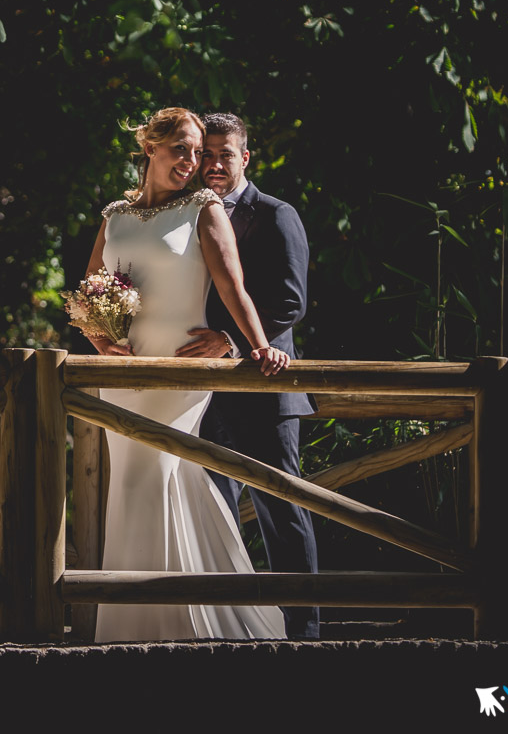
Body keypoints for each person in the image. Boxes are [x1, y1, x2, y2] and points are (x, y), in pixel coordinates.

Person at [83, 107, 287, 642]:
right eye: (182, 149)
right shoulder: (115, 216)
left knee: (156, 475)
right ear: (150, 148)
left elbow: (232, 287)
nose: (193, 161)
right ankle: (138, 622)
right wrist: (101, 340)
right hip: (124, 373)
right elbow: (88, 293)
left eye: (199, 152)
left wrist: (258, 346)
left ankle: (179, 619)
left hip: (180, 367)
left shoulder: (205, 209)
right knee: (133, 485)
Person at [179, 112, 319, 639]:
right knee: (213, 511)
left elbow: (291, 300)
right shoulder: (184, 213)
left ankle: (303, 630)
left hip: (265, 388)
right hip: (202, 393)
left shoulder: (277, 214)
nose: (213, 164)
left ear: (246, 158)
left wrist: (233, 342)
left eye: (224, 155)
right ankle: (229, 625)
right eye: (206, 154)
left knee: (282, 508)